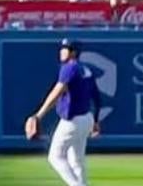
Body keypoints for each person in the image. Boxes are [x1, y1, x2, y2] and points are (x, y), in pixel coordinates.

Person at [24, 40, 101, 186]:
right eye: (62, 48)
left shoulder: (69, 67)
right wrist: (96, 120)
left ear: (74, 53)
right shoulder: (86, 69)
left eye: (66, 48)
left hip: (72, 121)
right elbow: (96, 97)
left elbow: (57, 92)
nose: (62, 51)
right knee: (77, 160)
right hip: (86, 119)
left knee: (55, 157)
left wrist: (38, 115)